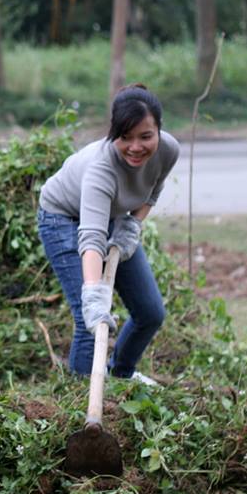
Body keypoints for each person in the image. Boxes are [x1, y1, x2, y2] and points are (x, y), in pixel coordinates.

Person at [37, 84, 179, 382]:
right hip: (62, 217)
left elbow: (153, 189)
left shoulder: (168, 150)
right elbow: (91, 237)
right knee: (91, 321)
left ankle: (120, 374)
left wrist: (134, 223)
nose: (135, 147)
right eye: (125, 137)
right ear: (113, 132)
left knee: (150, 312)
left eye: (145, 136)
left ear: (159, 130)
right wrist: (93, 293)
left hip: (113, 217)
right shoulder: (100, 170)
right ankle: (80, 400)